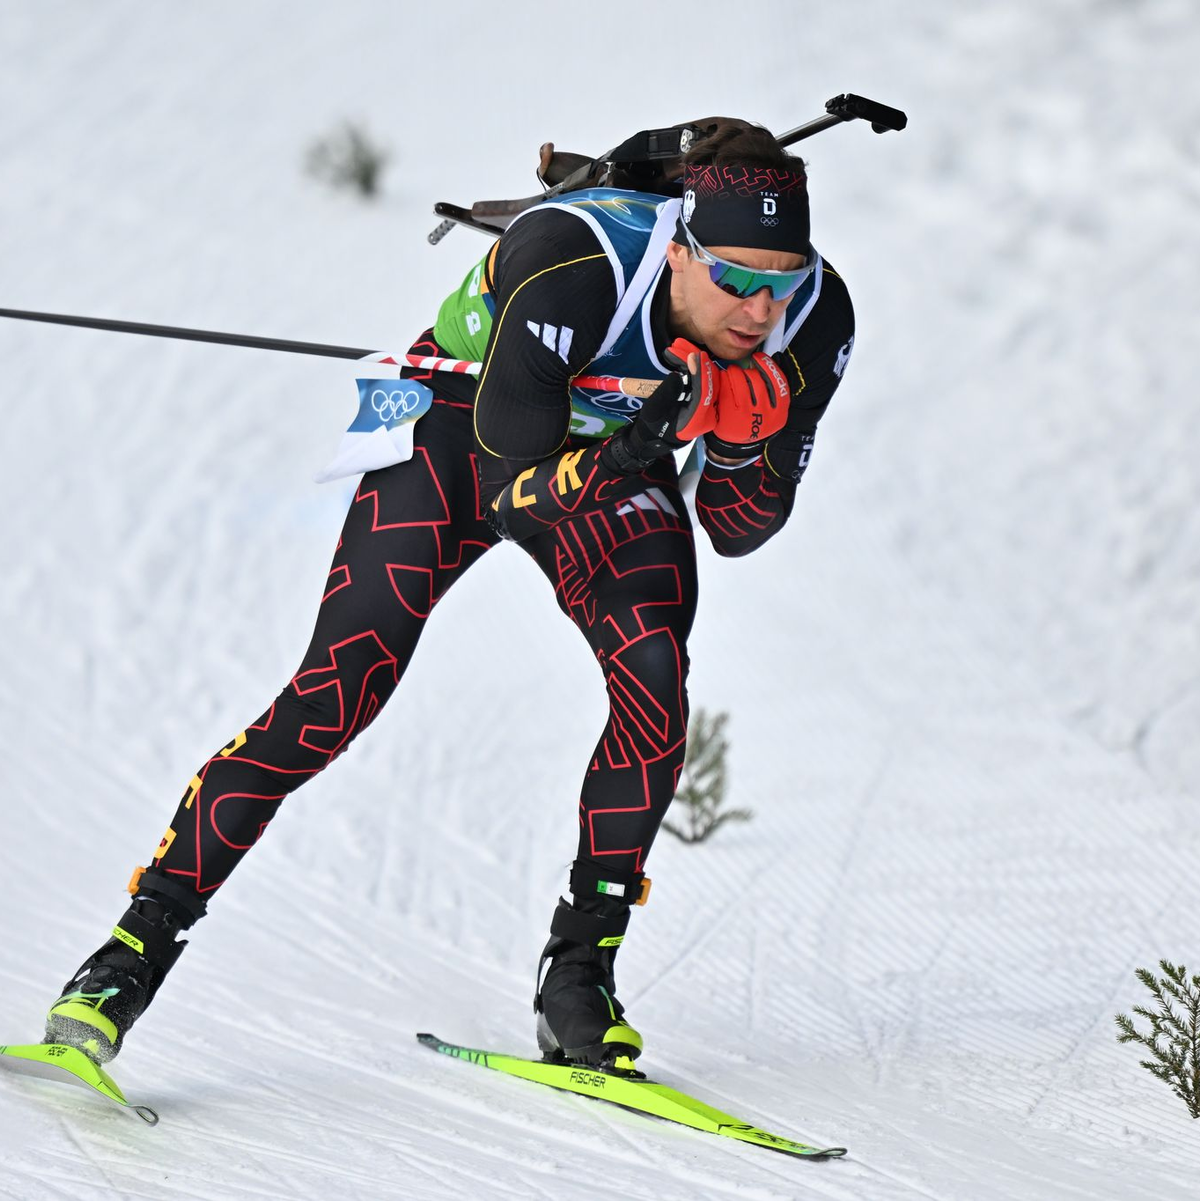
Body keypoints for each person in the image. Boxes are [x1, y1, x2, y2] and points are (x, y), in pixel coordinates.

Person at [44, 118, 855, 1072]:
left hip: (601, 462)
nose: (760, 310)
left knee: (654, 679)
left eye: (780, 283)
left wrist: (748, 427)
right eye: (735, 280)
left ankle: (578, 978)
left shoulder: (817, 320)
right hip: (458, 433)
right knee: (335, 692)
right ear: (678, 248)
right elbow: (514, 486)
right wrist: (642, 441)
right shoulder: (570, 263)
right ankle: (127, 957)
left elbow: (737, 525)